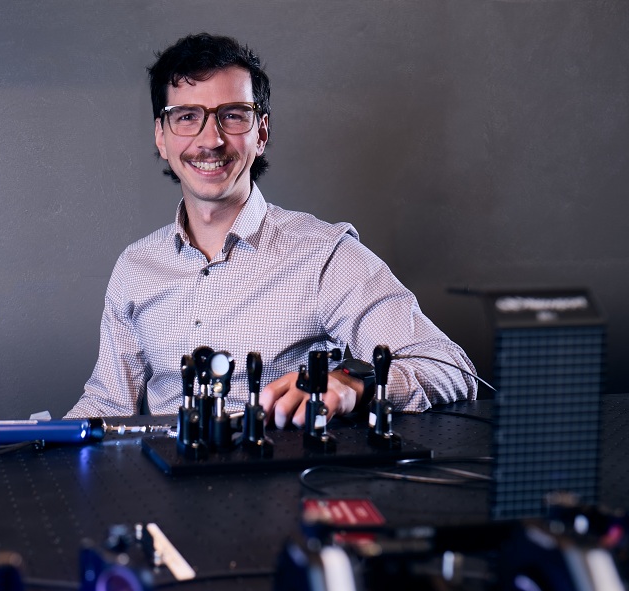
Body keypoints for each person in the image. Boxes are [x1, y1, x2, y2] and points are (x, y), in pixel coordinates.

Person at [66, 33, 476, 428]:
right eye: (187, 117)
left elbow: (450, 368)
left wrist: (353, 386)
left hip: (280, 483)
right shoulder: (135, 266)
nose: (211, 140)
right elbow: (108, 403)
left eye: (232, 116)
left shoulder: (324, 255)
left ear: (260, 133)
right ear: (162, 136)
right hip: (162, 486)